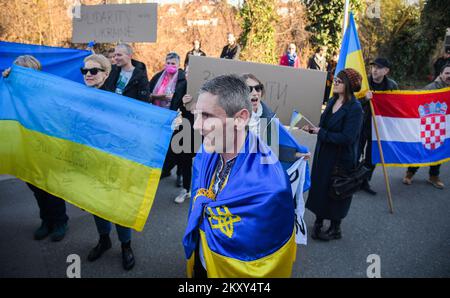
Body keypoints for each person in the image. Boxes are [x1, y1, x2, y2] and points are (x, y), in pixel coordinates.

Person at [183, 74, 297, 278]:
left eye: (207, 116)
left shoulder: (271, 185)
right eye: (196, 115)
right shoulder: (205, 153)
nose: (196, 126)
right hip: (202, 260)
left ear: (240, 119)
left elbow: (265, 257)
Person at [2, 56, 69, 242]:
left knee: (52, 188)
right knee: (36, 189)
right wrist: (6, 79)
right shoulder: (11, 90)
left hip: (46, 148)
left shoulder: (47, 91)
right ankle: (46, 221)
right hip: (25, 149)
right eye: (17, 72)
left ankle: (60, 222)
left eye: (23, 72)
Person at [80, 54, 135, 270]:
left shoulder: (117, 99)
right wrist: (16, 78)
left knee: (118, 206)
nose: (89, 75)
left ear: (106, 73)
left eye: (94, 71)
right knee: (96, 204)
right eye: (85, 71)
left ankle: (126, 245)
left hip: (115, 163)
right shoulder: (77, 96)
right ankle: (104, 240)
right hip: (90, 162)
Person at [303, 68, 363, 241]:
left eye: (339, 81)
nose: (335, 83)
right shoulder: (332, 101)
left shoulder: (355, 109)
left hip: (341, 158)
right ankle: (319, 222)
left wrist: (321, 133)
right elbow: (324, 125)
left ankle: (336, 228)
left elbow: (347, 138)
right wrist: (314, 130)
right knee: (321, 188)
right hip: (325, 153)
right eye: (335, 79)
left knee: (337, 191)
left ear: (349, 85)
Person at [403, 62, 450, 189]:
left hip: (444, 127)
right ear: (441, 74)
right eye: (447, 73)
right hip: (429, 124)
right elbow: (417, 100)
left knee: (440, 151)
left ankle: (433, 176)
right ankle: (410, 173)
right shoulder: (431, 87)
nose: (449, 76)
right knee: (421, 149)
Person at [149, 52, 190, 195]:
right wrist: (159, 96)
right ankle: (164, 170)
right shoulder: (157, 77)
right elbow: (148, 93)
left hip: (175, 118)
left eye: (173, 64)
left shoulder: (182, 80)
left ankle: (179, 174)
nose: (170, 66)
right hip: (158, 117)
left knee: (176, 148)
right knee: (161, 146)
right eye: (168, 63)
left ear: (178, 65)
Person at [360, 58, 399, 195]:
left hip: (378, 127)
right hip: (361, 124)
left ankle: (364, 181)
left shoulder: (392, 86)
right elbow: (351, 101)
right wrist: (364, 98)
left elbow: (396, 106)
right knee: (354, 153)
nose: (375, 69)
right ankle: (351, 181)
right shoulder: (363, 82)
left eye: (379, 67)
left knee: (372, 157)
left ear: (386, 71)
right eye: (373, 67)